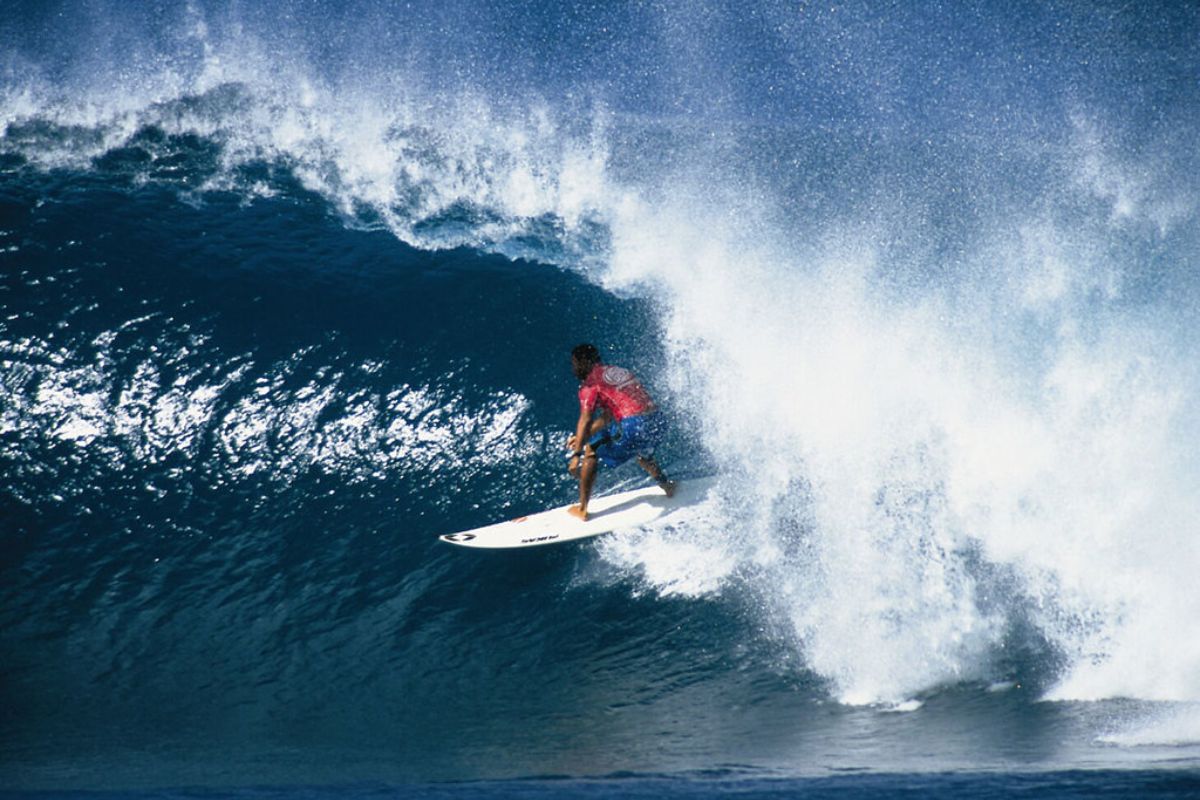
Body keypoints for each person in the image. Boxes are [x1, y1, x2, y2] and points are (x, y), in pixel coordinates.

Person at [565, 343, 675, 521]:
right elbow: (609, 414)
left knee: (591, 449)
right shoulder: (617, 372)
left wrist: (576, 454)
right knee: (642, 451)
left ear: (584, 362)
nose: (574, 369)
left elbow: (585, 419)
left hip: (635, 425)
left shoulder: (590, 385)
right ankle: (667, 486)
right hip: (657, 421)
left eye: (575, 363)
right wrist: (580, 437)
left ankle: (583, 509)